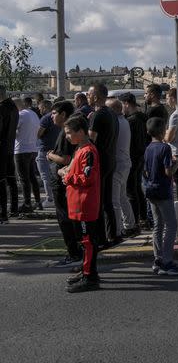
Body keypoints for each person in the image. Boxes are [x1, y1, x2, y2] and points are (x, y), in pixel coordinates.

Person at [59, 115, 101, 293]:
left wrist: (66, 176)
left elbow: (87, 177)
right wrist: (67, 171)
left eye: (69, 133)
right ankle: (87, 272)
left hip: (85, 205)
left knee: (88, 242)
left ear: (81, 132)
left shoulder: (88, 151)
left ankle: (90, 277)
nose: (67, 136)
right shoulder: (80, 149)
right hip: (77, 203)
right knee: (84, 242)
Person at [143, 117, 178, 276]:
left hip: (151, 190)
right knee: (171, 225)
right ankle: (167, 261)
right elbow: (168, 172)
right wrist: (177, 163)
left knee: (157, 226)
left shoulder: (148, 148)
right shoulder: (165, 148)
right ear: (162, 131)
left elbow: (147, 171)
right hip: (163, 191)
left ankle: (158, 259)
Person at [47, 101, 81, 267]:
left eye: (54, 113)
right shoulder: (66, 132)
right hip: (63, 180)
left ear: (63, 114)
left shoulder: (64, 134)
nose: (52, 116)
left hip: (61, 182)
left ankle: (73, 253)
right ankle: (76, 251)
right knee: (69, 217)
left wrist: (50, 155)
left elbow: (65, 159)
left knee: (65, 218)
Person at [88, 83, 119, 245]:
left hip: (100, 162)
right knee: (107, 201)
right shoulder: (112, 114)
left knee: (97, 201)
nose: (87, 96)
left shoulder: (98, 115)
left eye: (89, 94)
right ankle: (111, 234)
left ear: (96, 96)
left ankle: (100, 238)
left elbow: (89, 140)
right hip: (110, 159)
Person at [107, 98, 137, 237]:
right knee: (122, 197)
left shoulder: (116, 123)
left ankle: (117, 230)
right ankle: (129, 225)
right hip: (125, 162)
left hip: (118, 164)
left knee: (114, 200)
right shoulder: (123, 121)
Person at [120, 92, 150, 228]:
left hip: (133, 157)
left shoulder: (131, 121)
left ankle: (136, 219)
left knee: (131, 191)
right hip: (141, 156)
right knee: (137, 189)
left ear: (126, 104)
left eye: (122, 105)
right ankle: (142, 217)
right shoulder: (143, 118)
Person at [15, 98, 42, 212]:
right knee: (32, 177)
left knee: (24, 178)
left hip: (21, 149)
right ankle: (37, 201)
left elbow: (14, 130)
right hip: (32, 148)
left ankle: (27, 204)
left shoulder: (20, 115)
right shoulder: (33, 114)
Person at [0, 85, 20, 222]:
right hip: (9, 148)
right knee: (11, 179)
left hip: (1, 148)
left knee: (1, 181)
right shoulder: (13, 107)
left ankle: (2, 213)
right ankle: (13, 209)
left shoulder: (2, 108)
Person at [37, 99, 59, 208]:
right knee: (54, 175)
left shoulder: (45, 118)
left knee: (45, 175)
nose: (39, 110)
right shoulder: (57, 117)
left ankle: (50, 199)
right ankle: (55, 197)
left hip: (44, 150)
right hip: (55, 150)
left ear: (45, 107)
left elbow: (39, 133)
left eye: (40, 108)